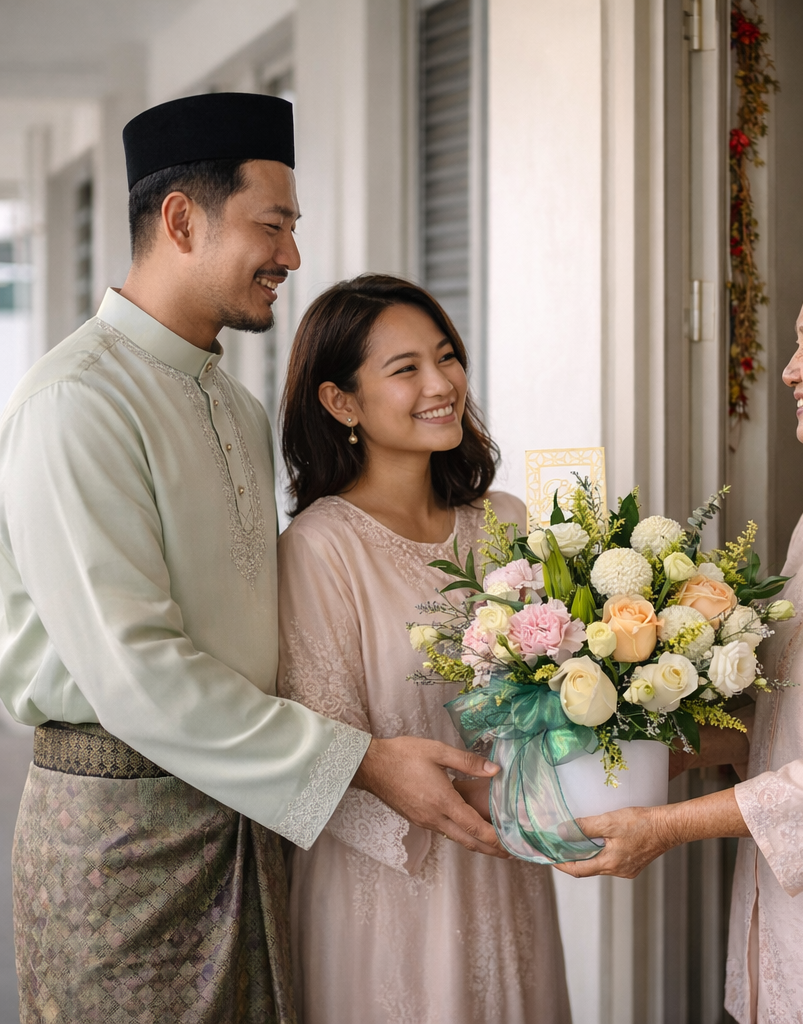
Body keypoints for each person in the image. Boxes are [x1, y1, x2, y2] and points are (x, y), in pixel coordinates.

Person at [0, 94, 504, 1024]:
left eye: (294, 228)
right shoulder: (76, 403)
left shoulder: (231, 404)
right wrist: (358, 760)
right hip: (122, 840)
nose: (294, 258)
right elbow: (134, 670)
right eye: (272, 226)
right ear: (181, 220)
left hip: (247, 819)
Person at [559, 236, 803, 1024]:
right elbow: (780, 722)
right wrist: (648, 756)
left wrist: (663, 829)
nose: (790, 372)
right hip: (785, 925)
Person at [276, 274, 571, 1024]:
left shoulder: (504, 521)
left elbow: (553, 694)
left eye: (447, 357)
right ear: (341, 401)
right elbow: (320, 753)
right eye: (405, 369)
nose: (442, 384)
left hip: (507, 873)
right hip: (385, 896)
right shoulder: (319, 548)